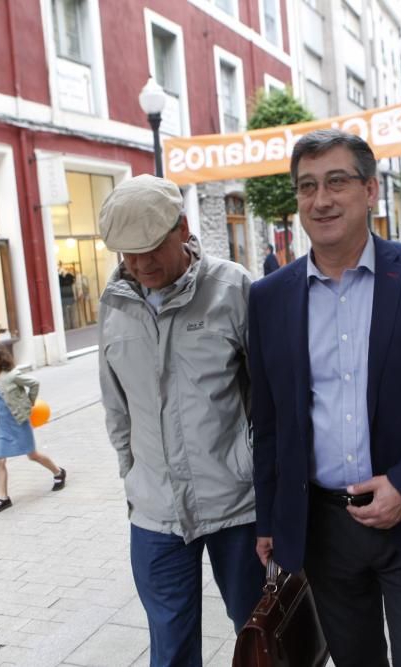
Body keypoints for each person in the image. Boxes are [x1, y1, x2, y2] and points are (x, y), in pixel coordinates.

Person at [248, 129, 401, 667]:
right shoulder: (268, 298)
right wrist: (269, 519)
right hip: (324, 529)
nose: (322, 199)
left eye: (337, 181)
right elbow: (267, 422)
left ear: (370, 190)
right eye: (307, 186)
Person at [97, 174, 262, 666]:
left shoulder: (234, 288)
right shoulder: (115, 304)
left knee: (260, 635)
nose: (141, 264)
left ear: (183, 228)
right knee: (169, 649)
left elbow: (268, 397)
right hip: (154, 512)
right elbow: (115, 404)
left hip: (238, 506)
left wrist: (253, 468)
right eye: (128, 253)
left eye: (151, 248)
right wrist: (131, 473)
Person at [0, 344, 65, 516]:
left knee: (33, 455)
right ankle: (3, 498)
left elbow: (34, 383)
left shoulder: (11, 376)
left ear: (0, 359)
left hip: (19, 421)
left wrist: (29, 403)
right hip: (2, 424)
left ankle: (58, 472)